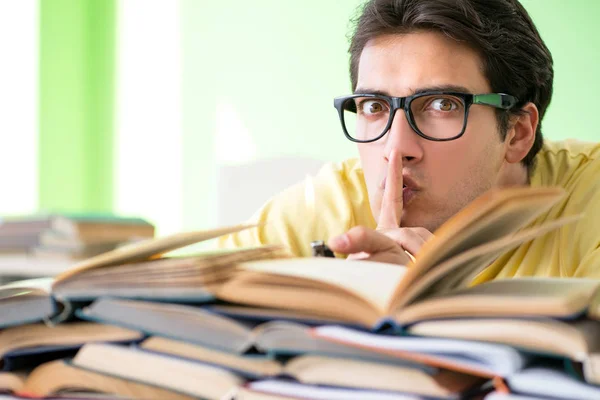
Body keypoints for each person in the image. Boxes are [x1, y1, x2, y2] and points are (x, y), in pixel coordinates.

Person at [218, 0, 600, 282]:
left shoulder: (590, 205)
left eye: (442, 104)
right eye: (374, 105)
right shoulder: (324, 210)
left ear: (517, 132)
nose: (395, 149)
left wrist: (425, 308)